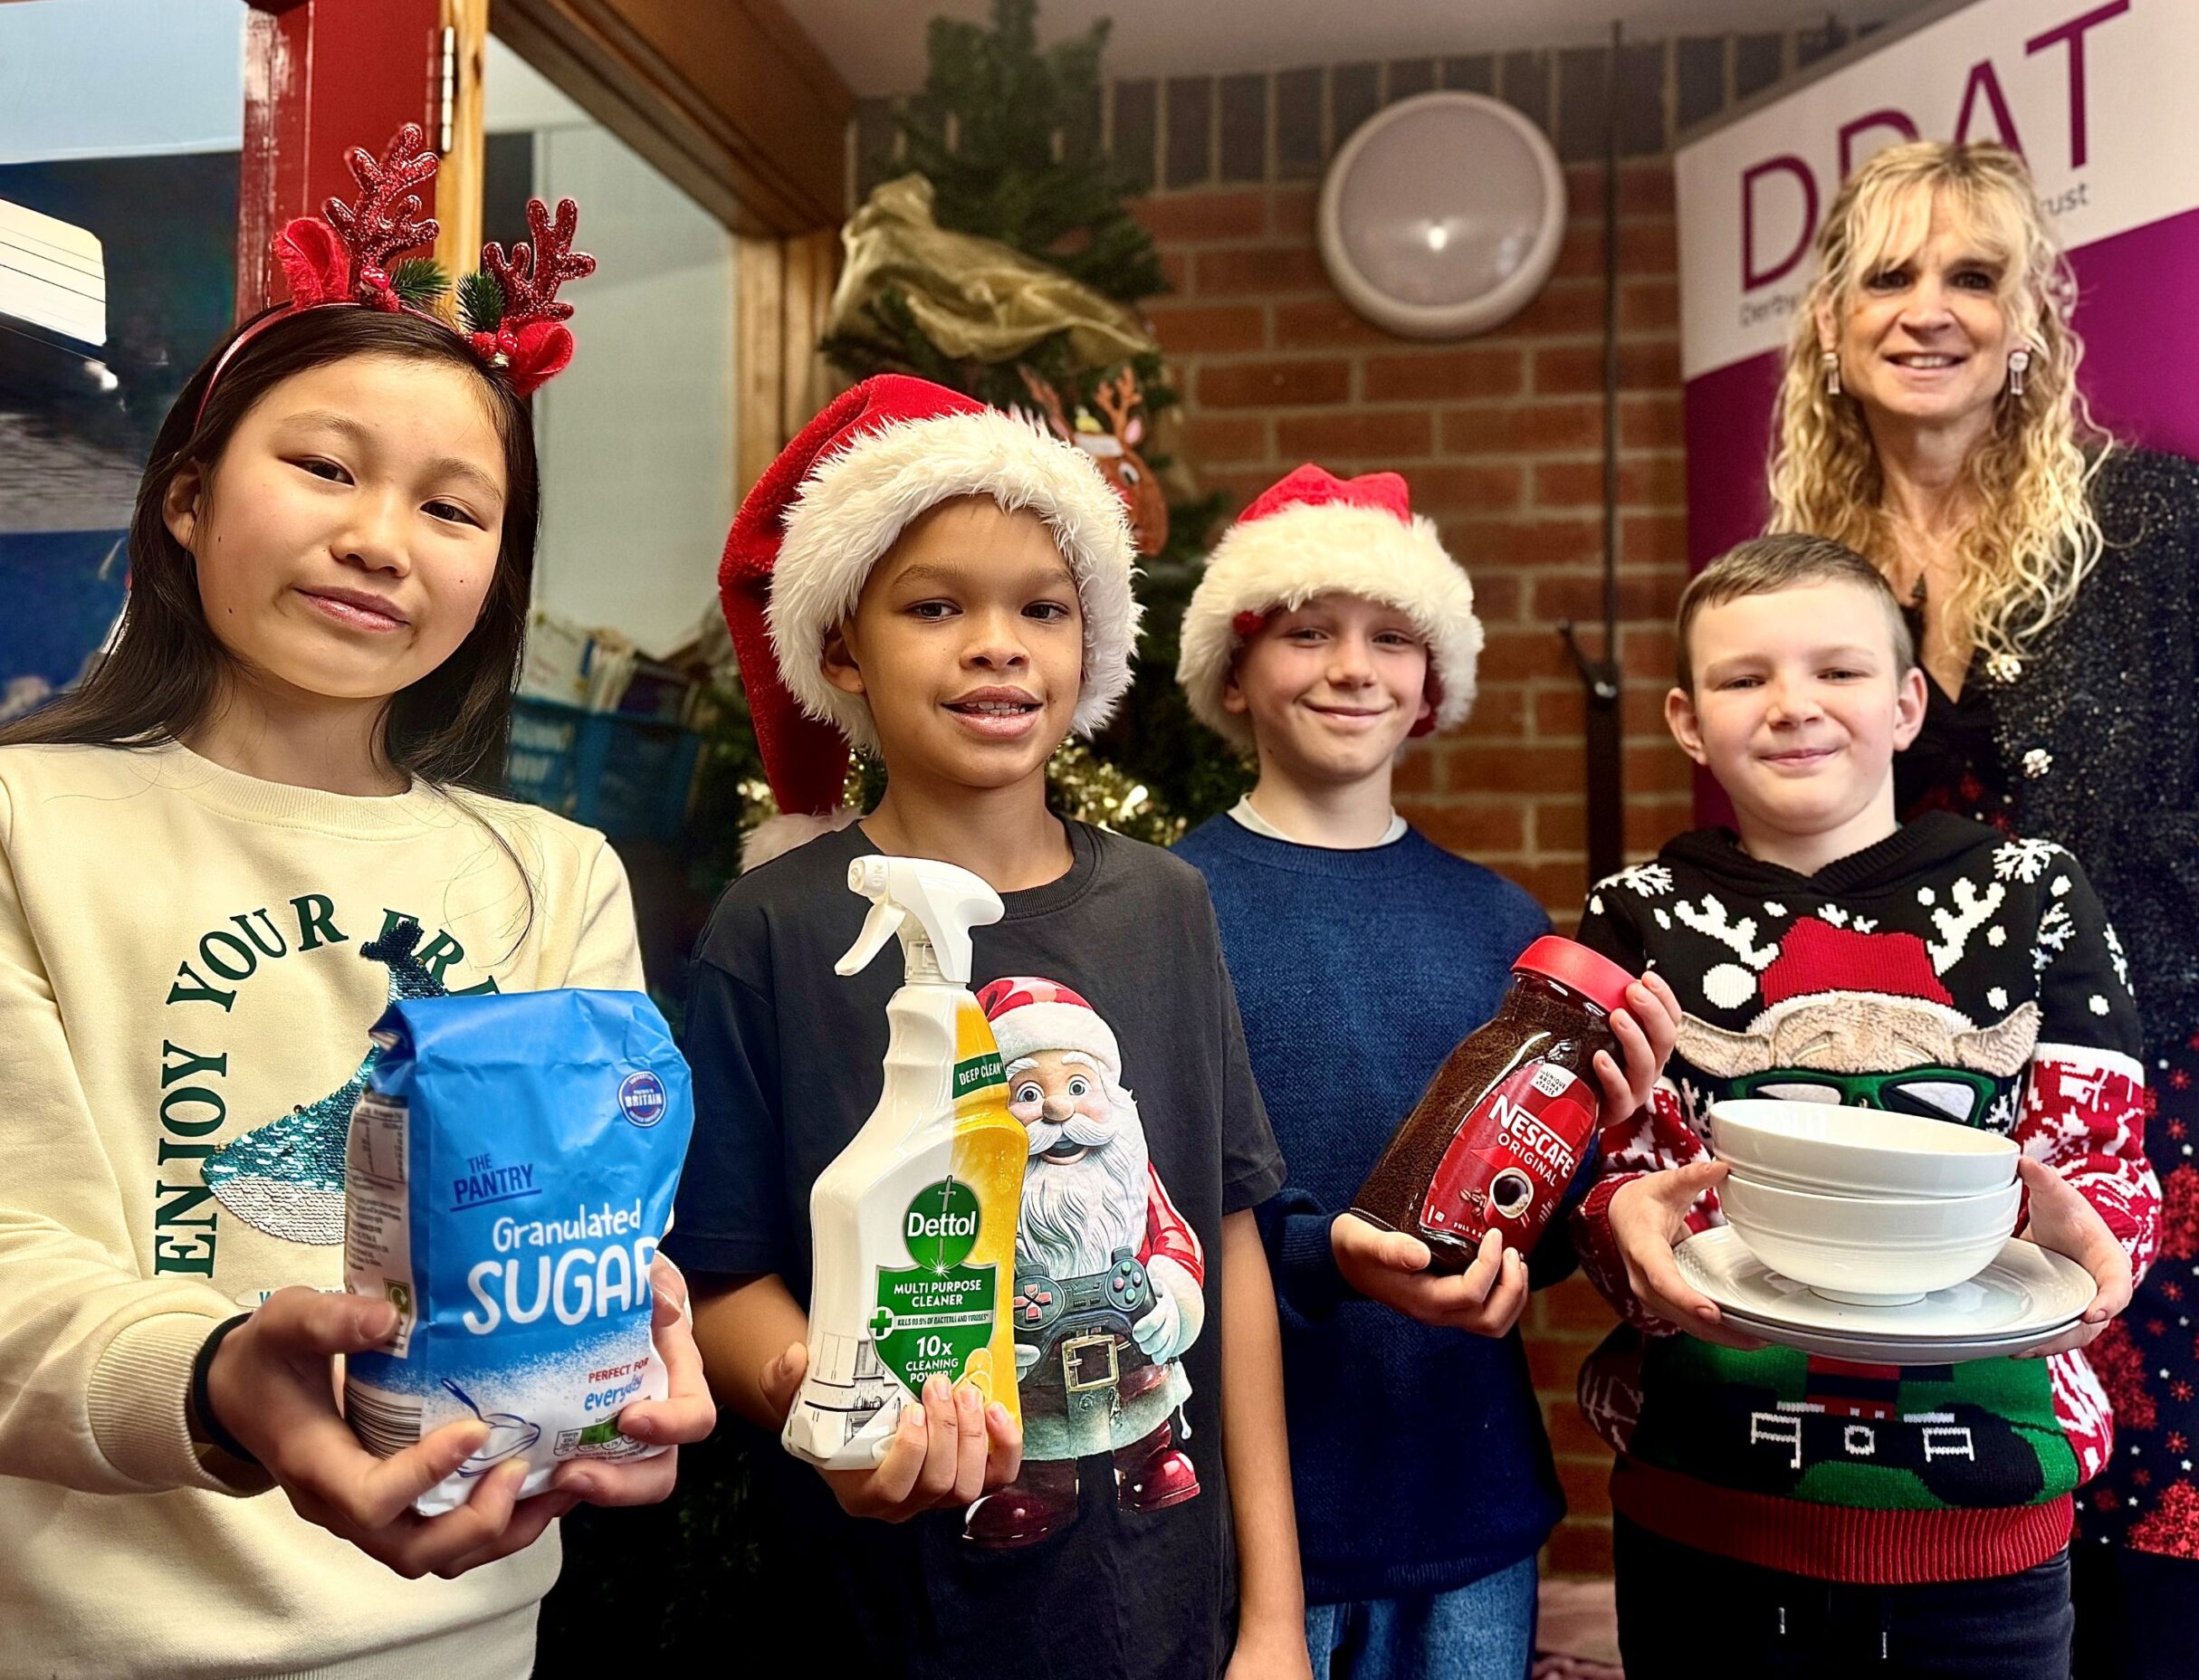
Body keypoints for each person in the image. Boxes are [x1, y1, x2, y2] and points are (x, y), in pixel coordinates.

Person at [0, 126, 711, 1679]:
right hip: (94, 1638)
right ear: (188, 498)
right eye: (324, 467)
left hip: (468, 1633)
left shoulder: (552, 873)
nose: (379, 539)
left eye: (454, 510)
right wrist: (217, 1381)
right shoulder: (23, 823)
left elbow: (595, 1223)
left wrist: (637, 1344)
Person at [1767, 138, 2199, 1680]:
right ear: (1830, 325)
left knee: (2187, 1618)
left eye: (1973, 275)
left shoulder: (2178, 529)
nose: (1929, 308)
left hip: (2185, 1180)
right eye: (1889, 275)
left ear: (2027, 324)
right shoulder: (1803, 584)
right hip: (1924, 1176)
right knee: (1961, 1607)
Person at [670, 373, 1307, 1678]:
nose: (998, 645)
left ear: (1092, 642)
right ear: (841, 649)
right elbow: (722, 1273)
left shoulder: (1167, 907)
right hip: (883, 1618)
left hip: (1161, 1610)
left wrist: (1274, 1618)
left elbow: (1229, 1240)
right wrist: (824, 1403)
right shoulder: (773, 927)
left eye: (1042, 608)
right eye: (934, 607)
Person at [1573, 534, 2157, 1679]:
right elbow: (1611, 1178)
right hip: (1705, 1510)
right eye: (1745, 676)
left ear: (1905, 704)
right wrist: (1616, 1226)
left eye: (1835, 669)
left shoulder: (2033, 892)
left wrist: (2098, 1241)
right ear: (1688, 720)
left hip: (1984, 1529)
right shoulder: (1635, 913)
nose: (1792, 703)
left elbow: (2103, 1161)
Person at [1168, 463, 1678, 1680]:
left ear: (1433, 683)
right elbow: (1155, 1205)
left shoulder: (1499, 923)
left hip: (1463, 1501)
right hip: (1235, 1518)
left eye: (1392, 638)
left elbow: (1532, 1241)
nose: (1354, 669)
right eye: (1307, 632)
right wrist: (1324, 1258)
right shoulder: (1165, 906)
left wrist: (1600, 1158)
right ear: (1233, 672)